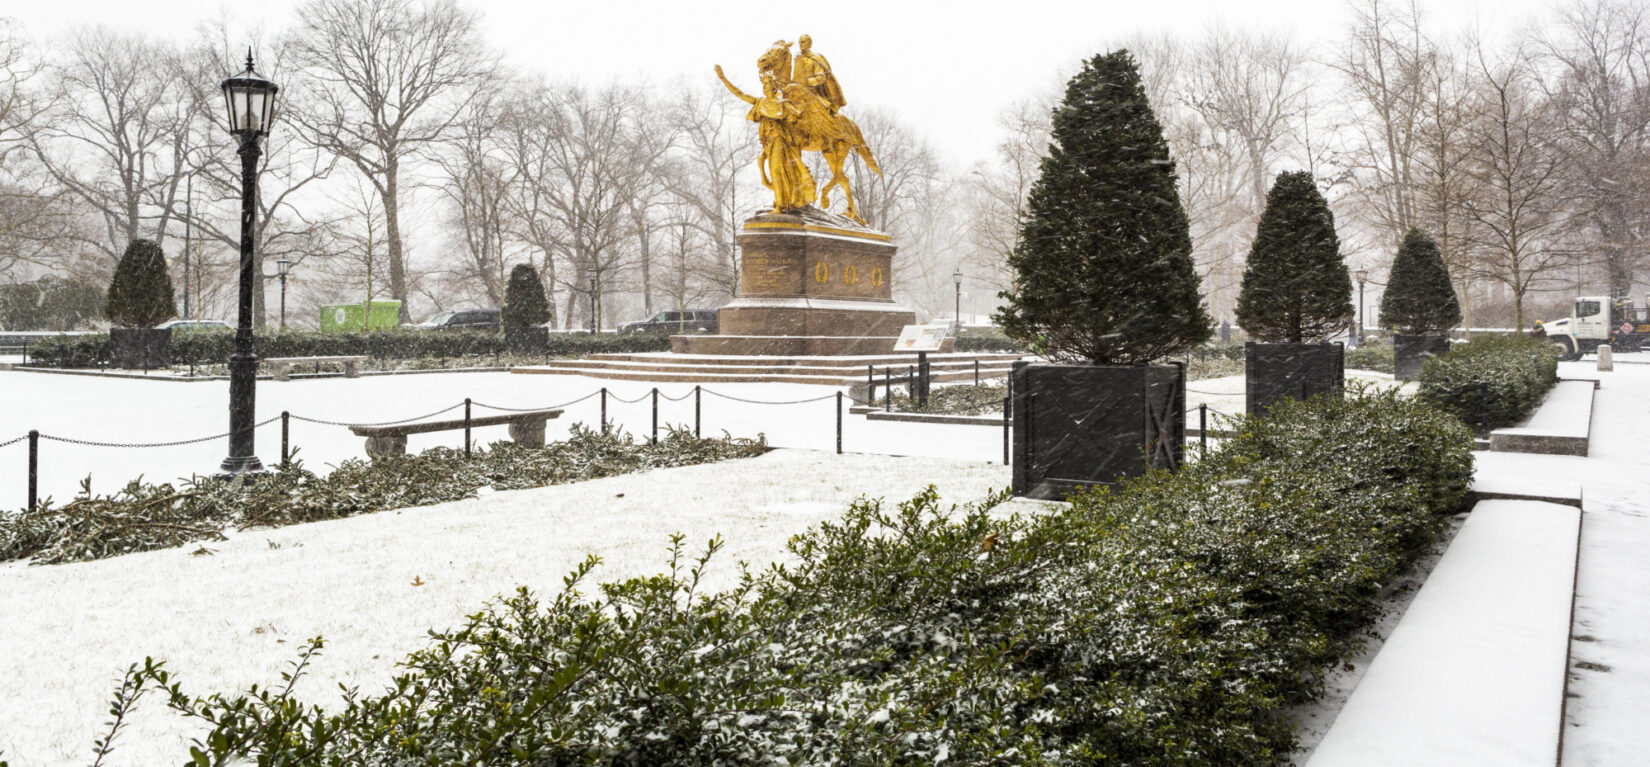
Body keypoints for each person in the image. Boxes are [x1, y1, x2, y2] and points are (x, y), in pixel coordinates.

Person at [792, 34, 845, 114]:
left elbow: (821, 77)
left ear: (809, 44)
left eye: (803, 42)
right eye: (799, 42)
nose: (800, 44)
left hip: (811, 92)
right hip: (797, 92)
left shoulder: (815, 58)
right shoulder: (797, 59)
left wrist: (808, 81)